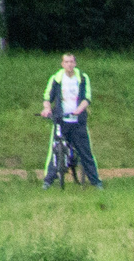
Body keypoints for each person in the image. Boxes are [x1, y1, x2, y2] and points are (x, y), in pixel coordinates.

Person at [39, 52, 102, 188]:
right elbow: (47, 97)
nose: (69, 64)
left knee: (85, 152)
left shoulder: (83, 78)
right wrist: (47, 109)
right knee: (55, 151)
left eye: (71, 62)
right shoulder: (56, 78)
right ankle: (48, 180)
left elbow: (87, 98)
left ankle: (96, 181)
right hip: (61, 121)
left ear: (75, 63)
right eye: (66, 62)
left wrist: (79, 110)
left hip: (78, 121)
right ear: (62, 64)